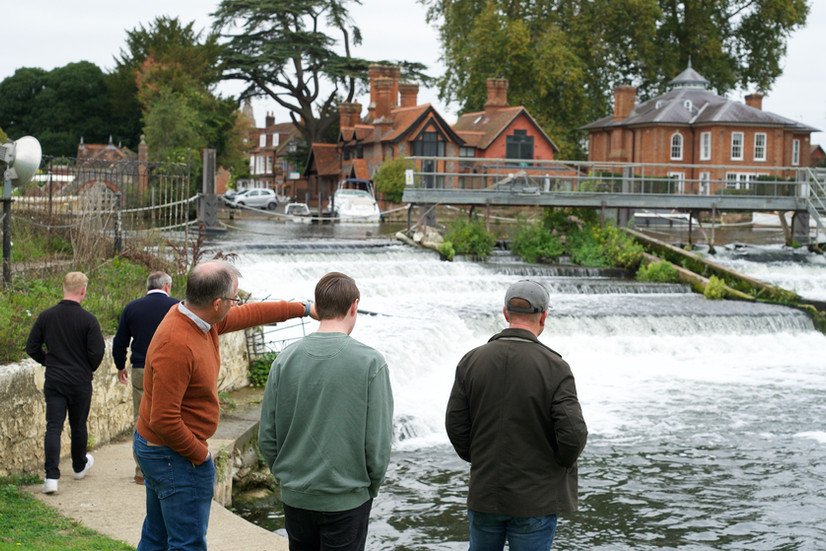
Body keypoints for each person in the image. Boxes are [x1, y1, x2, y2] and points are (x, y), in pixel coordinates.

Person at [133, 260, 317, 551]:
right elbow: (164, 419)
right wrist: (201, 456)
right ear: (218, 302)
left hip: (162, 452)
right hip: (172, 455)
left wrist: (304, 309)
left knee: (156, 538)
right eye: (234, 299)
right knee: (187, 544)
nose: (237, 304)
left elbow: (251, 313)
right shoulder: (177, 343)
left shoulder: (198, 319)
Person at [446, 279, 588, 551]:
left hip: (485, 492)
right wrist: (554, 465)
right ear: (544, 316)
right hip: (535, 498)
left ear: (505, 313)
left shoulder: (471, 361)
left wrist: (481, 458)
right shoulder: (555, 368)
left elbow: (455, 426)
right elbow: (573, 434)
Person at [258, 272, 394, 551]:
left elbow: (267, 438)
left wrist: (288, 481)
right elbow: (377, 444)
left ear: (317, 308)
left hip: (296, 497)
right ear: (354, 306)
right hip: (347, 498)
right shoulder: (371, 362)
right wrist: (370, 487)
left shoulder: (284, 359)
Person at [26, 271, 105, 495]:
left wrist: (49, 361)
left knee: (53, 426)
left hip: (55, 379)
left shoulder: (46, 317)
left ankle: (51, 477)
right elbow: (97, 352)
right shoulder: (89, 320)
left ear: (64, 288)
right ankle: (79, 466)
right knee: (78, 425)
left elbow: (32, 347)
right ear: (83, 291)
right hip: (80, 381)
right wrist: (86, 367)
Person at [112, 271, 180, 485]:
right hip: (171, 371)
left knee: (141, 418)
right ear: (167, 287)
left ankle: (141, 471)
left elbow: (119, 341)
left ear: (148, 286)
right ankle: (170, 467)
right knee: (173, 416)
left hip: (141, 369)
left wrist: (120, 365)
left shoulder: (132, 308)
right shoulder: (178, 307)